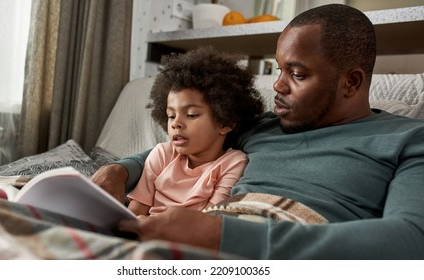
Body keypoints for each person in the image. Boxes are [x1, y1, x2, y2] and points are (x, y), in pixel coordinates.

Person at [91, 4, 424, 259]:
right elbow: (184, 145)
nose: (277, 85)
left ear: (351, 82)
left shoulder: (408, 139)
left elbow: (411, 238)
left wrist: (221, 235)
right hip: (202, 239)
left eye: (297, 74)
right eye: (280, 68)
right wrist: (118, 170)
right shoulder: (259, 125)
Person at [126, 46, 264, 216]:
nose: (176, 123)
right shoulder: (162, 154)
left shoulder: (232, 163)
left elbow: (212, 218)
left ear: (225, 122)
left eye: (191, 115)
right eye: (171, 115)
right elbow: (137, 209)